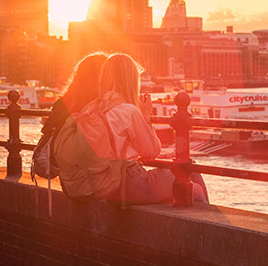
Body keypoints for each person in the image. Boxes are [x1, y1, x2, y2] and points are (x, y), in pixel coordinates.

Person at [89, 53, 209, 205]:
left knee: (186, 175)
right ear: (130, 80)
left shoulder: (94, 109)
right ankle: (214, 222)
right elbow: (152, 152)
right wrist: (146, 117)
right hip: (131, 184)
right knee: (190, 172)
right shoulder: (128, 111)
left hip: (105, 183)